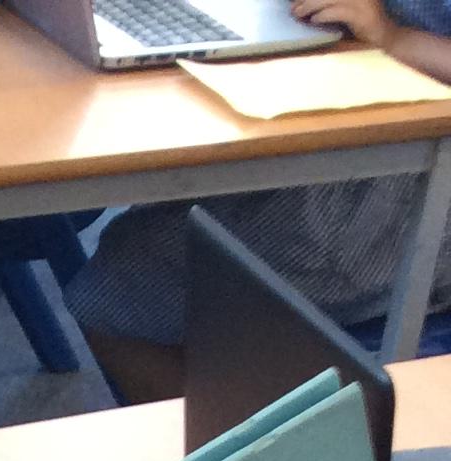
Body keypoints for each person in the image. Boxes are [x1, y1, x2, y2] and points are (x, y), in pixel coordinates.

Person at [68, 0, 451, 403]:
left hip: (403, 198)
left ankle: (261, 443)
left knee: (114, 290)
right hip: (344, 122)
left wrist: (391, 36)